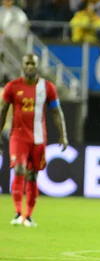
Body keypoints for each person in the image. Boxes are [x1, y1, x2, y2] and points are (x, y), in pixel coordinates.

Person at [0, 53, 68, 227]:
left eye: (33, 63)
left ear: (37, 65)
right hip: (18, 136)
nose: (30, 66)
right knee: (20, 169)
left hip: (38, 138)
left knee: (32, 174)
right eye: (27, 63)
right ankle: (17, 212)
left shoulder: (47, 87)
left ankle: (28, 216)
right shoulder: (12, 87)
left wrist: (63, 134)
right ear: (22, 65)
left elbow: (56, 112)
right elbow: (2, 111)